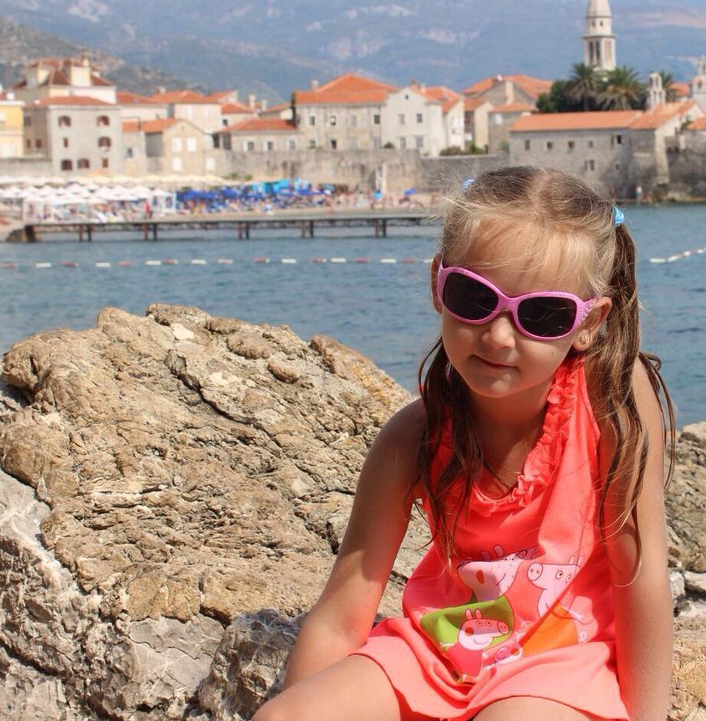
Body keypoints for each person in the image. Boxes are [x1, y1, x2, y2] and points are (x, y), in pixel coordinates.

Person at [256, 166, 677, 721]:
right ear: (438, 283)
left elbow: (639, 570)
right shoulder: (412, 439)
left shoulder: (611, 401)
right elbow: (341, 615)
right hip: (437, 648)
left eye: (542, 314)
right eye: (474, 297)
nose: (499, 335)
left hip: (563, 662)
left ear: (589, 324)